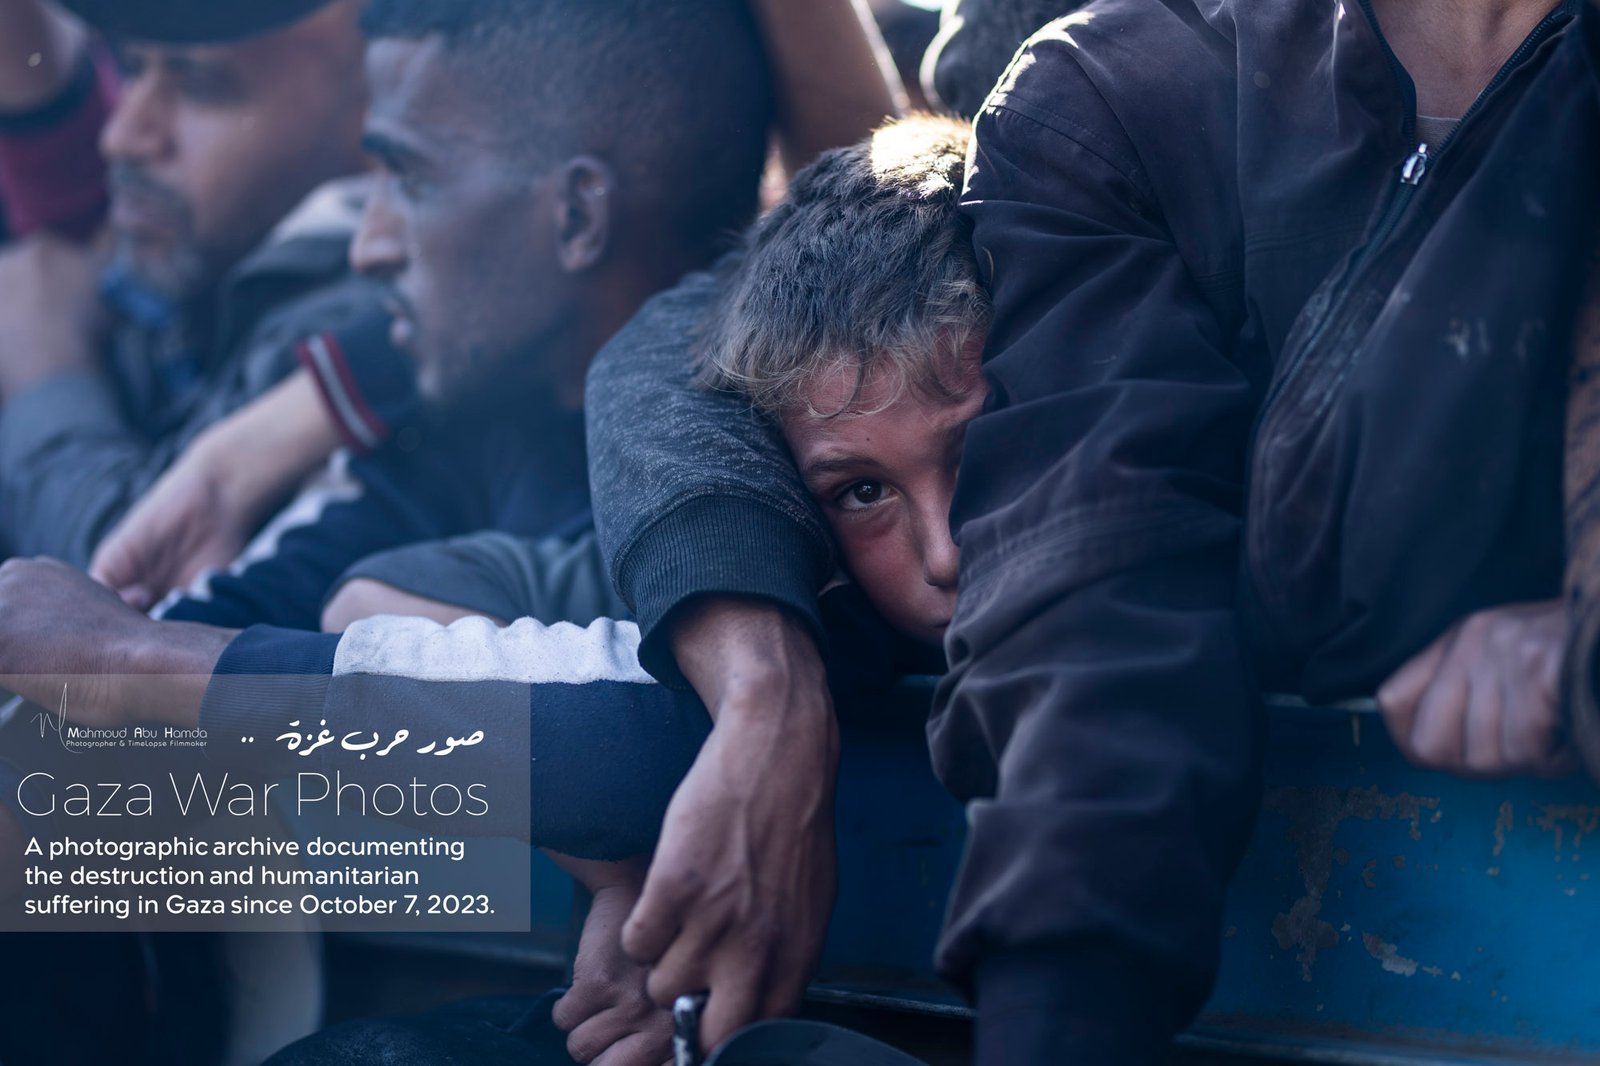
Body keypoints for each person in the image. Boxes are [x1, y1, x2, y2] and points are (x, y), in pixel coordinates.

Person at [578, 1, 1600, 1064]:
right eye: (864, 491)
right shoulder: (1098, 94)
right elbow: (477, 699)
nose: (949, 550)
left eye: (983, 452)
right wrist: (692, 777)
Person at [0, 0, 380, 567]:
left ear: (382, 106)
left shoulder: (361, 320)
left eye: (201, 87)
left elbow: (133, 582)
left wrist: (45, 370)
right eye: (132, 68)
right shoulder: (207, 252)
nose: (123, 135)